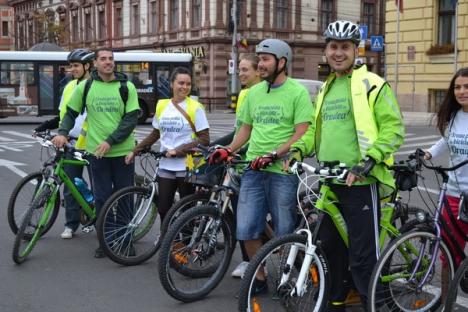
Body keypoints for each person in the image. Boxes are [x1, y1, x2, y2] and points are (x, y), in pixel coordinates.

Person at [304, 20, 404, 311]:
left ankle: (375, 305)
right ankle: (336, 300)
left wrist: (370, 160)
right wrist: (296, 151)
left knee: (362, 257)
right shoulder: (325, 88)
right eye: (333, 46)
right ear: (326, 50)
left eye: (344, 47)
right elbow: (313, 130)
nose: (338, 53)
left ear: (355, 50)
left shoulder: (372, 84)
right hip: (331, 180)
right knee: (330, 249)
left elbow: (393, 129)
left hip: (361, 182)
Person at [209, 39, 313, 293]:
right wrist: (228, 149)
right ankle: (260, 276)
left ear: (282, 62)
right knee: (246, 229)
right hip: (253, 170)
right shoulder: (254, 93)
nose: (261, 64)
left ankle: (289, 278)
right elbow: (245, 129)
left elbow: (303, 132)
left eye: (266, 59)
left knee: (283, 232)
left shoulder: (297, 92)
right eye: (260, 59)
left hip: (282, 171)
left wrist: (276, 153)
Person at [52, 47, 140, 258]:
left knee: (124, 197)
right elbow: (71, 112)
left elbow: (130, 119)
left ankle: (125, 240)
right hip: (96, 154)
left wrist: (110, 141)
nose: (108, 62)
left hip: (123, 152)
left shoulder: (126, 86)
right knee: (102, 198)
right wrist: (63, 132)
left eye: (111, 58)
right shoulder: (86, 87)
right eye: (103, 59)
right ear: (96, 63)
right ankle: (106, 240)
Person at [126, 67, 210, 224]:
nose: (184, 87)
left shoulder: (195, 107)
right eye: (181, 83)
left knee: (186, 209)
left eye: (188, 84)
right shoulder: (162, 105)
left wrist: (178, 151)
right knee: (163, 208)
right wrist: (135, 151)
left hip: (189, 163)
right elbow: (155, 133)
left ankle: (186, 244)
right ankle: (167, 238)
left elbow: (204, 139)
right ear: (172, 84)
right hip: (166, 163)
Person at [34, 48, 94, 239]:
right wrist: (43, 127)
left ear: (87, 66)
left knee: (100, 186)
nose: (72, 69)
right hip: (70, 143)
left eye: (76, 66)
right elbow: (63, 116)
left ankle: (100, 215)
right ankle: (71, 224)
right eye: (71, 66)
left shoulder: (94, 86)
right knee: (70, 186)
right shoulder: (69, 86)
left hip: (92, 144)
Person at [425, 67, 468, 269]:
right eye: (457, 87)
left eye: (467, 86)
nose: (461, 91)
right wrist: (428, 153)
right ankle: (445, 299)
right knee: (449, 253)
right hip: (453, 195)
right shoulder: (455, 115)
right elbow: (446, 140)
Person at [227, 54, 262, 278]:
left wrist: (236, 150)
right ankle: (249, 260)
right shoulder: (243, 94)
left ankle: (254, 261)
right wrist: (225, 147)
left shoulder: (260, 94)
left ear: (258, 71)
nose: (240, 73)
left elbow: (257, 132)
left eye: (245, 69)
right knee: (242, 216)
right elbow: (241, 129)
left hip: (253, 162)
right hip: (239, 162)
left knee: (249, 216)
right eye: (239, 69)